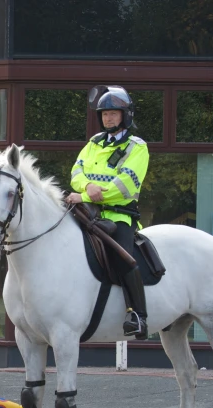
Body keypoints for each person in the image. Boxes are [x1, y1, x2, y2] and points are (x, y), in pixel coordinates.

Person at [65, 85, 150, 339]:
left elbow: (124, 185)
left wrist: (84, 194)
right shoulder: (93, 143)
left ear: (126, 115)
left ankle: (138, 316)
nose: (108, 118)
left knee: (122, 256)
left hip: (119, 216)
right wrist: (87, 186)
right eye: (104, 114)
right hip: (87, 212)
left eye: (114, 113)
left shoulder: (137, 147)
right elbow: (76, 172)